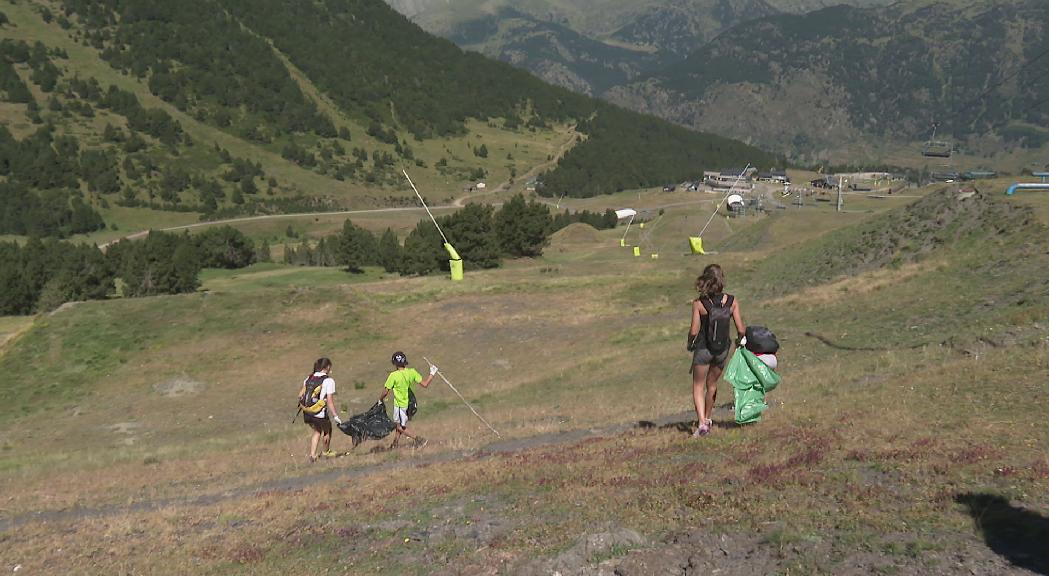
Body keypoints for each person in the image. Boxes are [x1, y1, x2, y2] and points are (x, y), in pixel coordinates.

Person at [687, 264, 745, 437]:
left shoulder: (699, 304)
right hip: (722, 349)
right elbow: (741, 328)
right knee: (711, 385)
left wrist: (690, 343)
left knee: (698, 386)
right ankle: (708, 418)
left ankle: (702, 423)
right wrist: (739, 339)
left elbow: (694, 331)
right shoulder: (732, 301)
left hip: (704, 349)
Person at [378, 351, 437, 449]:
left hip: (400, 405)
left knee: (399, 426)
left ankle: (419, 440)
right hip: (410, 403)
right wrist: (432, 373)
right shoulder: (412, 372)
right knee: (400, 424)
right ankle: (395, 444)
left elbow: (385, 392)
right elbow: (425, 384)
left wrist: (380, 400)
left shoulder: (393, 376)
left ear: (395, 363)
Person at [299, 357, 343, 462]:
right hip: (319, 412)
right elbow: (330, 401)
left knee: (317, 430)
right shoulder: (329, 381)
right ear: (327, 367)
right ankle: (326, 452)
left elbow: (300, 395)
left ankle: (312, 455)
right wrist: (335, 416)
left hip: (307, 412)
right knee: (327, 431)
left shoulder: (308, 378)